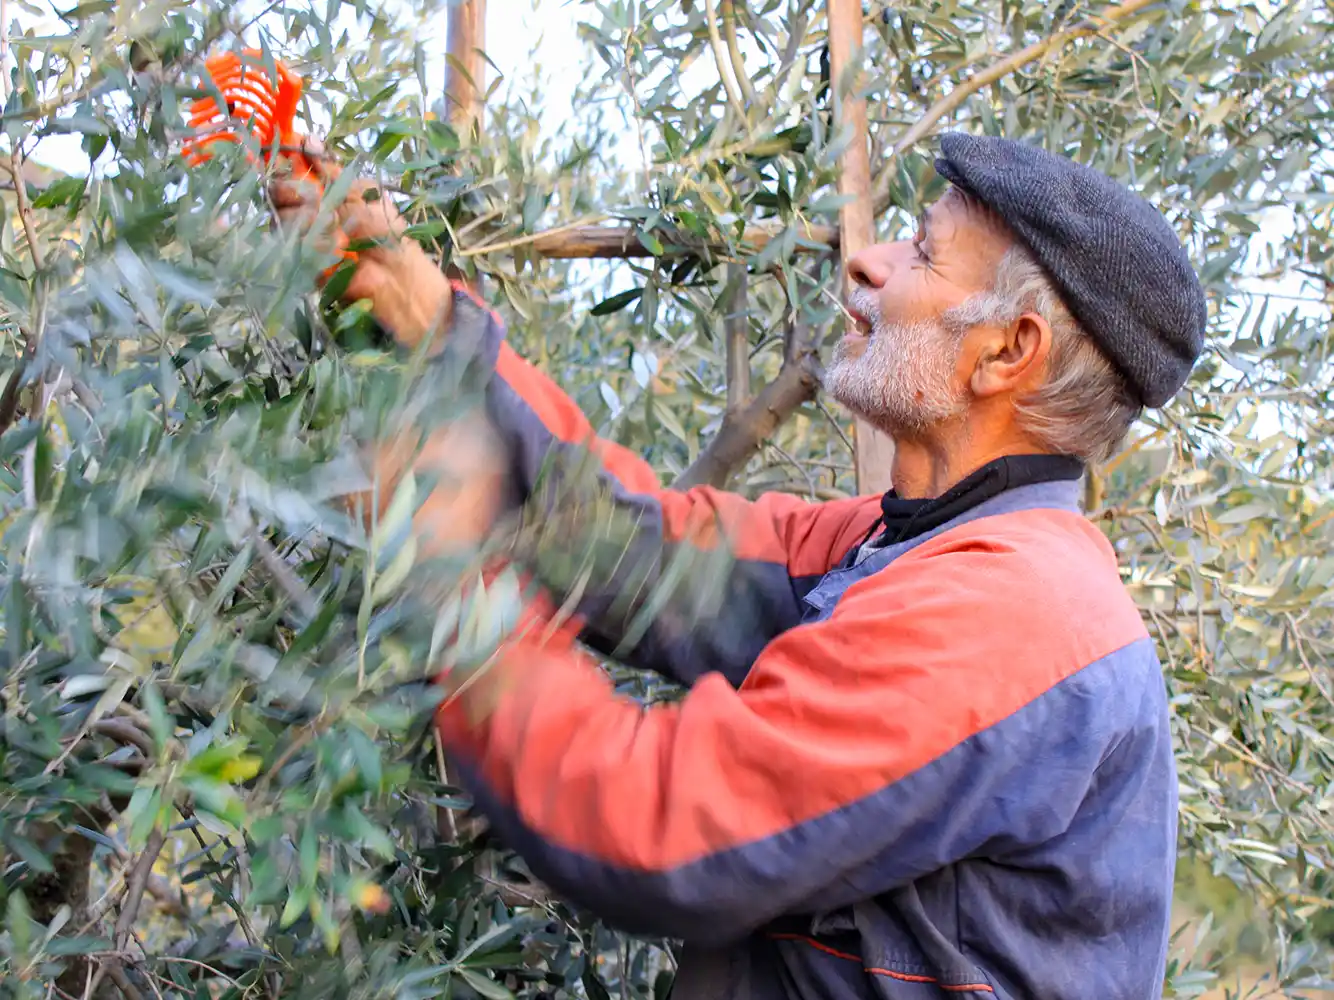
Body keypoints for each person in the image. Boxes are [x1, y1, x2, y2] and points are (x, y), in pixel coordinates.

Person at [271, 131, 1207, 1000]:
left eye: (922, 254)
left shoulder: (1007, 613)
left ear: (1008, 351)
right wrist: (426, 313)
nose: (869, 263)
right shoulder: (901, 548)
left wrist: (450, 583)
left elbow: (658, 828)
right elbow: (635, 548)